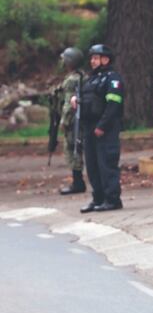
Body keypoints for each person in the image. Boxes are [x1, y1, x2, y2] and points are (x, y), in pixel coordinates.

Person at [75, 44, 125, 213]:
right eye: (92, 58)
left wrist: (102, 126)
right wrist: (76, 100)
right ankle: (98, 199)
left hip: (105, 128)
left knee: (106, 164)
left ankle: (112, 200)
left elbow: (113, 105)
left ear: (106, 59)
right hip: (90, 128)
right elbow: (88, 101)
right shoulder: (92, 79)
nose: (92, 61)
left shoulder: (113, 78)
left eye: (96, 58)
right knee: (92, 166)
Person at [54, 47, 86, 195]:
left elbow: (69, 104)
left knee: (73, 150)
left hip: (73, 121)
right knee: (76, 149)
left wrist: (64, 121)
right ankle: (78, 182)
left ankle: (78, 183)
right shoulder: (80, 75)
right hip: (78, 120)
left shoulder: (72, 80)